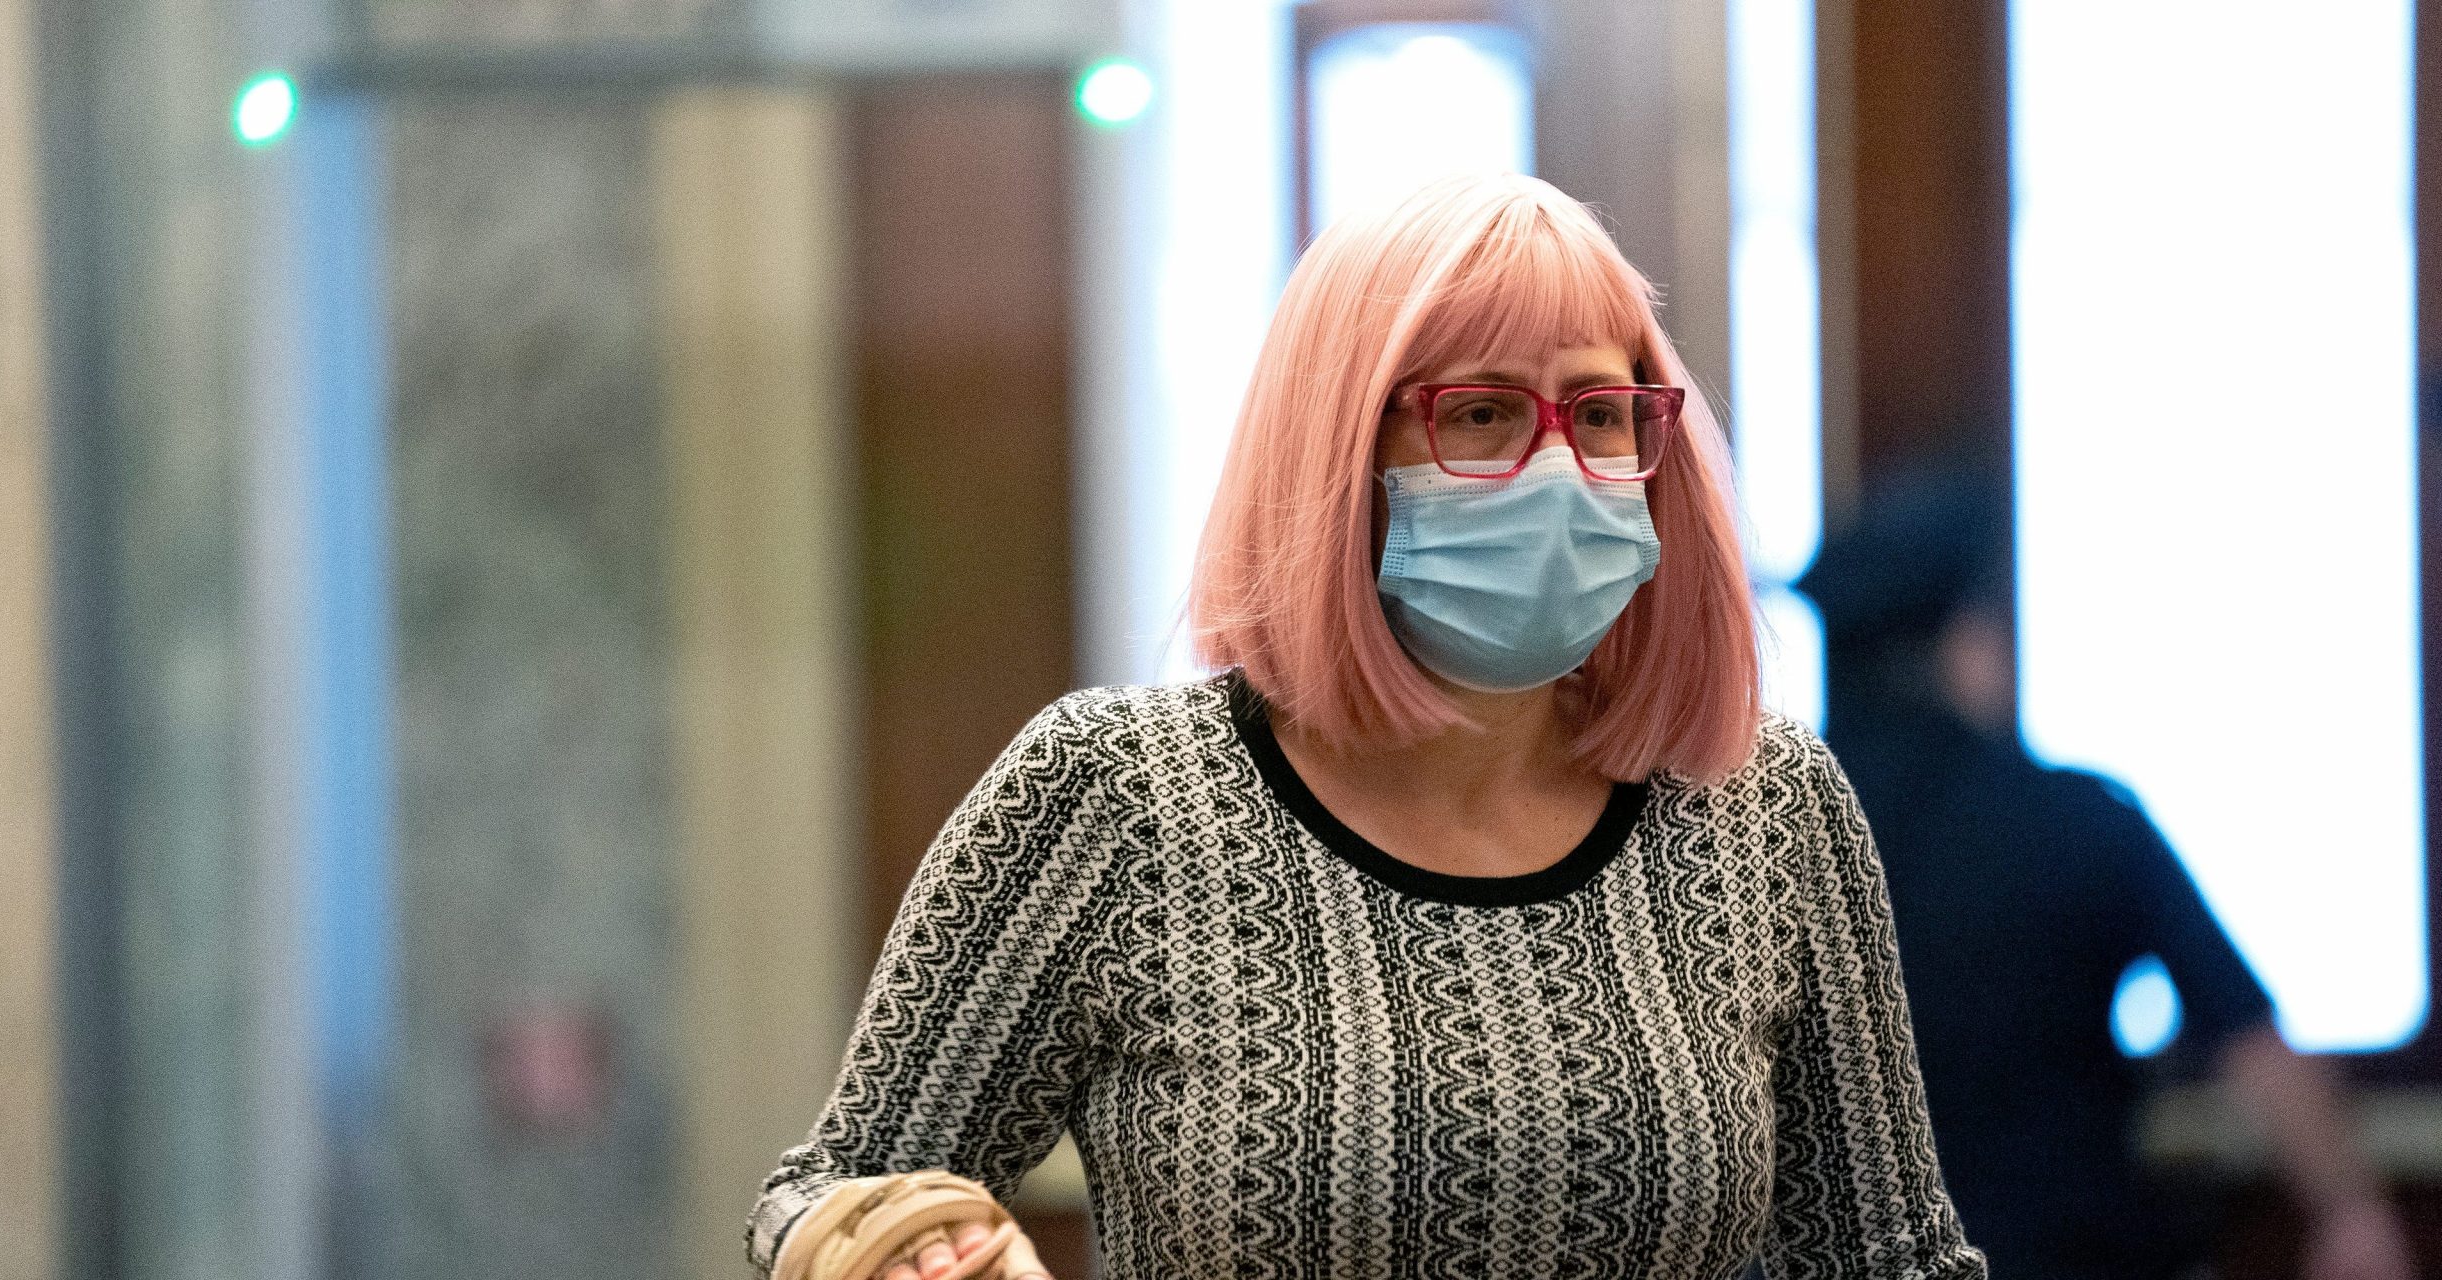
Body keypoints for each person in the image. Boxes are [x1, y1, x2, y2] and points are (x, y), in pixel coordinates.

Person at [748, 173, 1985, 1280]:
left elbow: (1891, 1256)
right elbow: (836, 1191)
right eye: (1482, 413)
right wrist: (899, 1248)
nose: (1560, 470)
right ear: (1341, 450)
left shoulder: (1761, 806)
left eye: (1601, 413)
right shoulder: (1115, 797)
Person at [1796, 474, 2415, 1280]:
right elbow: (2252, 1040)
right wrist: (2350, 1212)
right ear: (1969, 638)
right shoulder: (2078, 821)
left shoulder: (1762, 843)